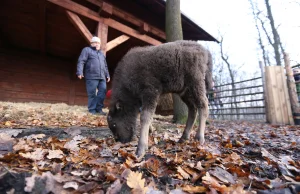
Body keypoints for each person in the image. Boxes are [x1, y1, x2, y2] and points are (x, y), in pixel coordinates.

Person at [76, 36, 110, 115]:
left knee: (102, 92)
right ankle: (92, 110)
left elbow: (105, 66)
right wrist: (79, 72)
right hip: (91, 76)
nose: (97, 44)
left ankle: (99, 109)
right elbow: (81, 61)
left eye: (98, 43)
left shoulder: (101, 54)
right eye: (95, 42)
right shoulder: (87, 50)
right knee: (92, 93)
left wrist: (107, 75)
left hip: (102, 77)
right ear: (92, 43)